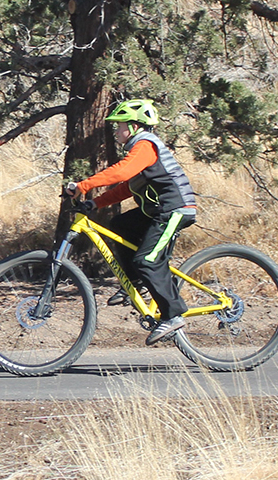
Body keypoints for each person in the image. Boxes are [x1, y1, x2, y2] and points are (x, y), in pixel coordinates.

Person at [63, 98, 198, 345]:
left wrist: (84, 185)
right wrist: (95, 203)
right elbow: (128, 187)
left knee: (146, 260)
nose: (116, 131)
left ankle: (173, 314)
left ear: (134, 126)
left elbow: (122, 172)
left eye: (119, 125)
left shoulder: (145, 145)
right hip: (157, 211)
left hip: (174, 210)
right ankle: (136, 284)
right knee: (119, 226)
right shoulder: (140, 150)